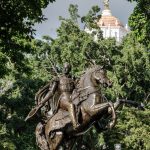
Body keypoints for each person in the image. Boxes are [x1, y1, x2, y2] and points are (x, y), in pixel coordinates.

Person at [26, 62, 79, 129]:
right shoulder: (58, 79)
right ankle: (75, 124)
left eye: (67, 68)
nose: (65, 69)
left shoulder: (72, 80)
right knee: (71, 105)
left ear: (69, 70)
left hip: (72, 98)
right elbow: (51, 92)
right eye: (64, 68)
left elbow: (77, 90)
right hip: (62, 99)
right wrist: (42, 102)